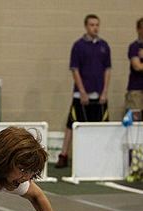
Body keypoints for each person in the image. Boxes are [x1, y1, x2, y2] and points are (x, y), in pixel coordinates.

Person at [55, 14, 111, 168]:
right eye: (92, 25)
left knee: (102, 125)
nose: (95, 27)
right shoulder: (78, 46)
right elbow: (75, 70)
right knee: (71, 124)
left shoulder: (104, 46)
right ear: (86, 26)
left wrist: (105, 91)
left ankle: (102, 156)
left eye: (97, 25)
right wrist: (82, 91)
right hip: (81, 95)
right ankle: (63, 155)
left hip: (99, 95)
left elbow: (107, 69)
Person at [125, 17, 143, 121]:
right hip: (136, 90)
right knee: (135, 122)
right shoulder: (134, 47)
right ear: (138, 29)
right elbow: (137, 66)